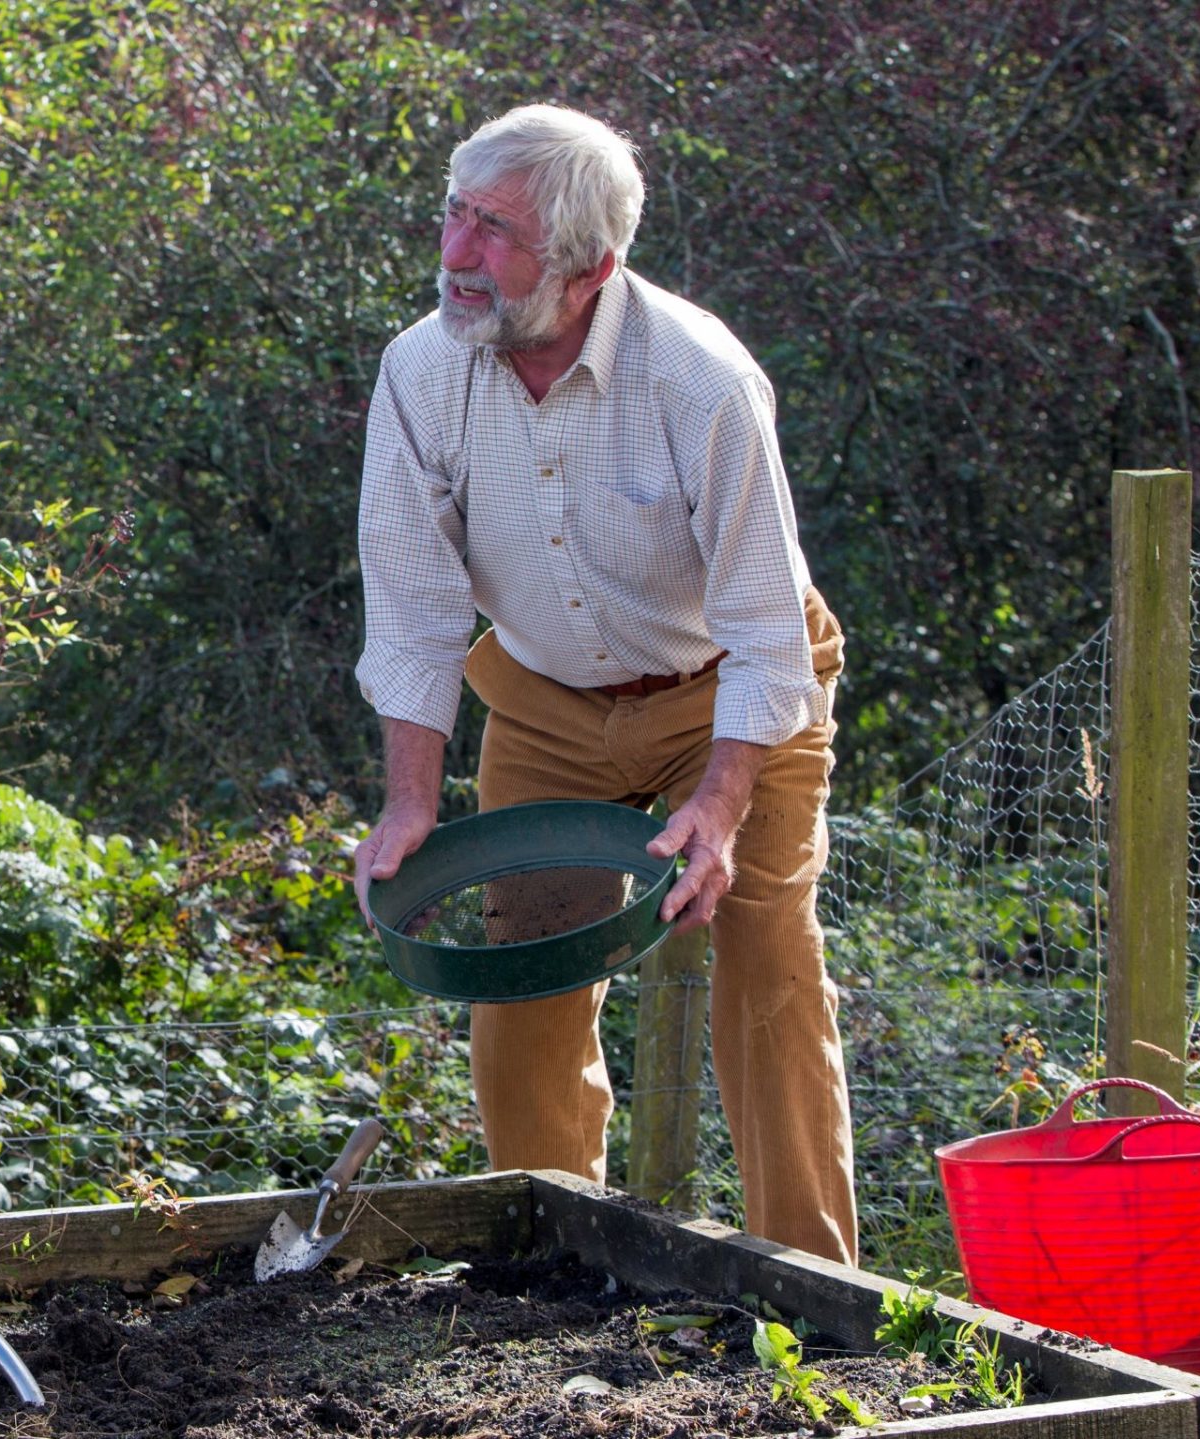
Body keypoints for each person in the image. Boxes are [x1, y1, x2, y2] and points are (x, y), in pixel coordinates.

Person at [348, 103, 860, 1265]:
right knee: (520, 974)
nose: (456, 255)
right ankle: (550, 1264)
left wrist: (722, 809)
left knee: (766, 952)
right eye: (453, 216)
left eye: (495, 234)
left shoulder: (700, 381)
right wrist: (411, 802)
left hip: (729, 686)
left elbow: (769, 634)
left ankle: (824, 1296)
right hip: (541, 697)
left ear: (588, 269)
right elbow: (417, 607)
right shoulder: (420, 372)